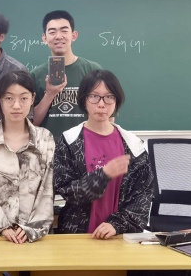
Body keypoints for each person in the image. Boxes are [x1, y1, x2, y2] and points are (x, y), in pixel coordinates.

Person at [53, 70, 154, 237]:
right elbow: (67, 190)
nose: (101, 104)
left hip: (119, 235)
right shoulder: (70, 141)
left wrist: (116, 224)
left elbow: (142, 196)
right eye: (94, 96)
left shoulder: (133, 145)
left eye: (109, 97)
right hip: (77, 234)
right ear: (84, 100)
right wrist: (104, 175)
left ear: (116, 101)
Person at [0, 70, 55, 243]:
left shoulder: (44, 138)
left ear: (32, 99)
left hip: (31, 238)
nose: (16, 105)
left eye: (23, 98)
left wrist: (31, 229)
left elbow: (46, 191)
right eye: (9, 98)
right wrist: (1, 227)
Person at [31, 10, 102, 140]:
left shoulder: (93, 70)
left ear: (74, 35)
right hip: (48, 146)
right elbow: (31, 122)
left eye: (64, 31)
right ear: (44, 38)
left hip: (85, 144)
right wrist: (49, 94)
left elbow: (107, 116)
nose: (58, 36)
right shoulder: (36, 75)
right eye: (52, 32)